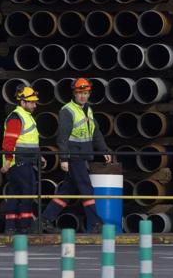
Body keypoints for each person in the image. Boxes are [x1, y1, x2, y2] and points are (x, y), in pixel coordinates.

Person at [41, 77, 112, 233]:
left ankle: (44, 220)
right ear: (74, 93)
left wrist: (104, 150)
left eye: (86, 93)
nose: (83, 96)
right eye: (80, 93)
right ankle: (95, 223)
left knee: (66, 191)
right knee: (86, 188)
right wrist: (64, 158)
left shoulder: (88, 109)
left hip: (83, 155)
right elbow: (62, 137)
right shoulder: (68, 111)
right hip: (74, 157)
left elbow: (96, 132)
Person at [1, 85, 46, 234]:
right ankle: (25, 226)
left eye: (35, 102)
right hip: (19, 162)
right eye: (32, 102)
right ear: (23, 102)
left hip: (24, 161)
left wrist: (40, 155)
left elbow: (30, 140)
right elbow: (9, 142)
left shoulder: (26, 116)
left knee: (16, 194)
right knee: (27, 192)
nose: (35, 105)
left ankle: (11, 226)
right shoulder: (17, 117)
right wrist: (8, 160)